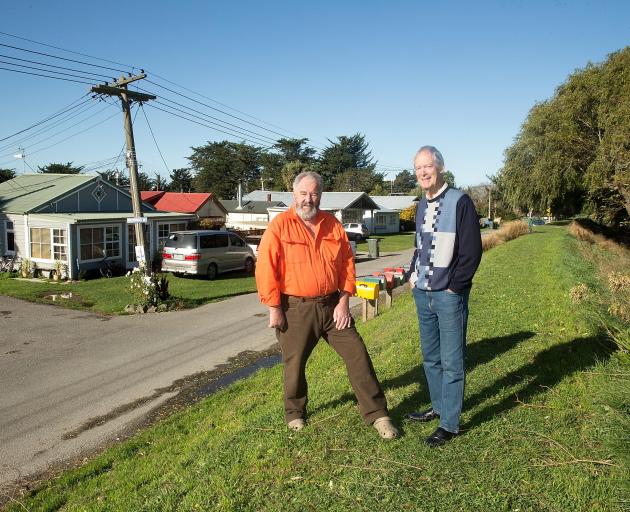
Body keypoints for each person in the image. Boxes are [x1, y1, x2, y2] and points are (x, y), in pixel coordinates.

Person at [255, 171, 398, 440]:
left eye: (314, 194)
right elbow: (266, 269)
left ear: (320, 195)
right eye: (304, 194)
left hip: (334, 307)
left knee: (358, 355)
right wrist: (274, 307)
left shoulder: (332, 224)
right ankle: (295, 414)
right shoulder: (280, 227)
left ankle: (378, 414)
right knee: (294, 364)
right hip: (296, 309)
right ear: (294, 195)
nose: (309, 199)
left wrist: (344, 301)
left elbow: (347, 264)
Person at [407, 146, 482, 447]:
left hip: (449, 295)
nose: (423, 172)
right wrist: (413, 277)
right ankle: (438, 407)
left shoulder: (460, 201)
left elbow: (472, 251)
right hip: (422, 294)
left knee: (452, 362)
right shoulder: (420, 205)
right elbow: (418, 246)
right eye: (418, 168)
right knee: (430, 358)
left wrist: (455, 286)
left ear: (440, 167)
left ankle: (449, 424)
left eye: (428, 166)